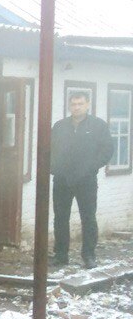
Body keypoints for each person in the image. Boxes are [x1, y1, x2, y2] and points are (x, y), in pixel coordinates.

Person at [50, 91, 113, 269]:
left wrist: (91, 167)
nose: (76, 107)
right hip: (62, 179)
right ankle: (61, 255)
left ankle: (89, 256)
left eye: (80, 104)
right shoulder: (60, 126)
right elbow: (49, 148)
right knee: (60, 218)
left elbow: (107, 150)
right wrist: (54, 168)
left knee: (88, 217)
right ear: (69, 106)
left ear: (87, 105)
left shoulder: (98, 126)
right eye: (73, 104)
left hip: (86, 180)